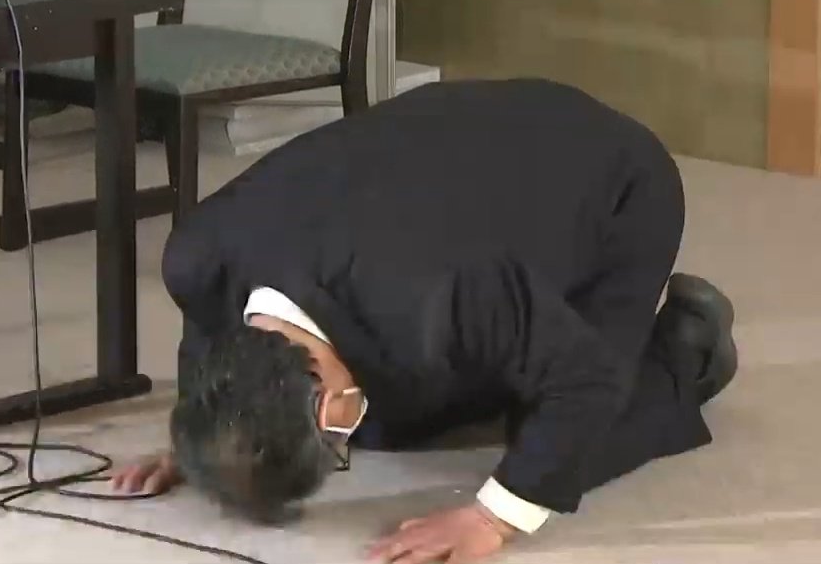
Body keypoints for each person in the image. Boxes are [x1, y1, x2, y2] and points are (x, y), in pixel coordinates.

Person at [111, 78, 737, 564]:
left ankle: (687, 352)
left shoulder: (443, 295)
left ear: (325, 401)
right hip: (454, 152)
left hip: (613, 180)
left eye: (332, 439)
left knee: (563, 430)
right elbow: (205, 343)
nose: (341, 447)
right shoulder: (198, 258)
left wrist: (492, 519)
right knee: (394, 414)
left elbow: (584, 381)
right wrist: (202, 445)